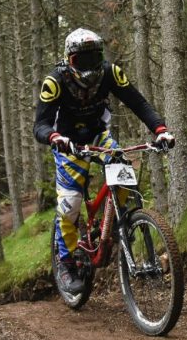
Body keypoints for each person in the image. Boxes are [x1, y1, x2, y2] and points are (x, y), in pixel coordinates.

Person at [34, 27, 175, 295]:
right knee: (71, 203)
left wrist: (161, 130)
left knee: (124, 176)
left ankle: (116, 225)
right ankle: (66, 263)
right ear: (68, 59)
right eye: (81, 60)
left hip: (98, 136)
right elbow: (39, 125)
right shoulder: (55, 82)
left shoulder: (111, 72)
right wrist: (54, 137)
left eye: (93, 58)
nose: (88, 67)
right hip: (68, 143)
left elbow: (138, 103)